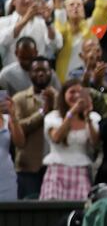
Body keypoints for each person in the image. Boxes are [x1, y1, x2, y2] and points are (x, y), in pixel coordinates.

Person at [41, 80, 100, 200]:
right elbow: (56, 138)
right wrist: (72, 112)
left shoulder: (94, 117)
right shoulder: (53, 117)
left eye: (80, 92)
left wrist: (87, 116)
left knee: (80, 212)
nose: (76, 95)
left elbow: (95, 143)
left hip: (81, 172)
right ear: (63, 95)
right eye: (72, 92)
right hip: (56, 172)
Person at [12, 56, 56, 198]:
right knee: (28, 213)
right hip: (28, 167)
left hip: (55, 167)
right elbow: (18, 128)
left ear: (51, 72)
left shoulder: (61, 97)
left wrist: (55, 104)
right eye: (36, 70)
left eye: (45, 70)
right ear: (29, 73)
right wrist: (43, 112)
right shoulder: (19, 99)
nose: (41, 73)